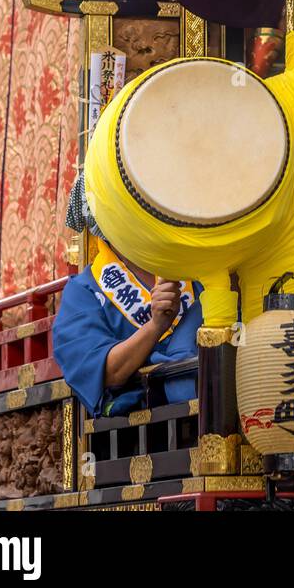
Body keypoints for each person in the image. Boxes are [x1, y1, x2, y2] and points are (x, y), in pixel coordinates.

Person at [53, 176, 202, 416]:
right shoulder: (84, 291)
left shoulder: (191, 265)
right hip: (147, 429)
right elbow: (107, 372)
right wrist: (156, 326)